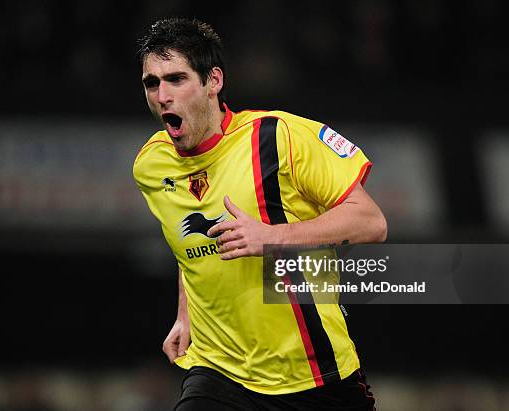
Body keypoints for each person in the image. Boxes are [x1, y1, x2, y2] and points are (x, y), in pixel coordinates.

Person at [133, 17, 386, 411]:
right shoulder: (151, 164)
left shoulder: (277, 136)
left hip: (315, 375)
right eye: (153, 83)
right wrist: (185, 314)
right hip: (220, 372)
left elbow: (371, 222)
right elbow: (188, 245)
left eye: (177, 79)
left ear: (213, 81)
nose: (162, 95)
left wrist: (271, 237)